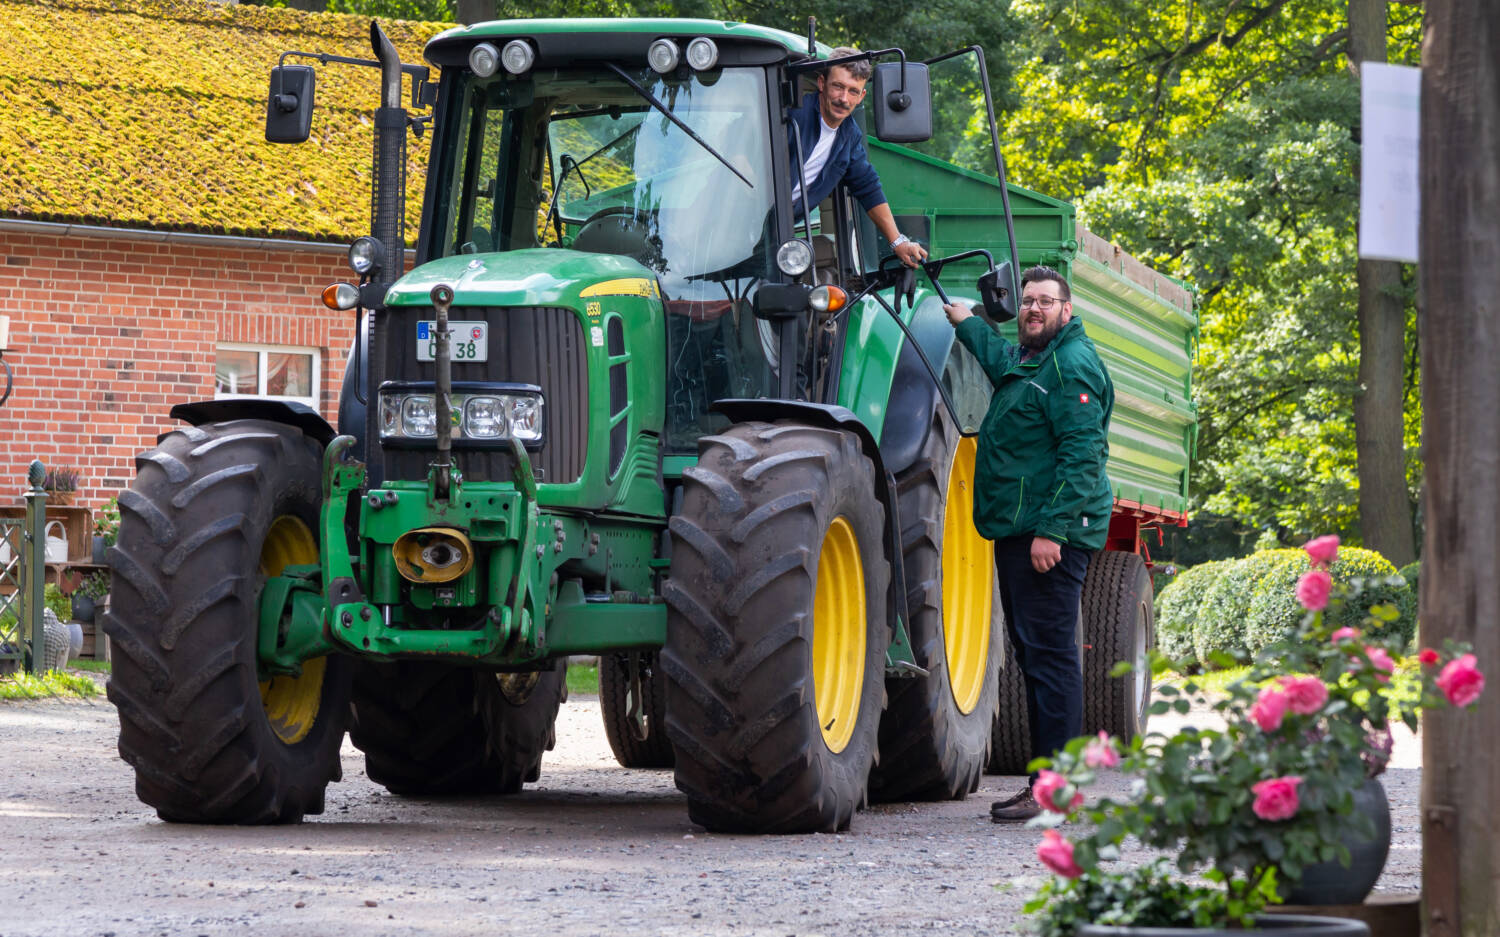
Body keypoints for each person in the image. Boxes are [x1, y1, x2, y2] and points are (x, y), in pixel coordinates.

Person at [942, 265, 1114, 823]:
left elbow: (1083, 457)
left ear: (1067, 310)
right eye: (1026, 302)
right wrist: (967, 324)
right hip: (1023, 530)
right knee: (1035, 656)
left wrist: (1053, 531)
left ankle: (1056, 790)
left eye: (1044, 301)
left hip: (1048, 535)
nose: (1032, 309)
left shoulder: (1071, 366)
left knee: (1051, 662)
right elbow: (1001, 364)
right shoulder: (1035, 359)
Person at [786, 48, 927, 268]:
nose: (843, 99)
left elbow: (867, 186)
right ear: (822, 84)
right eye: (838, 87)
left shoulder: (849, 136)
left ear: (862, 96)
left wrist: (898, 242)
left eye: (853, 91)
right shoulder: (794, 116)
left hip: (781, 229)